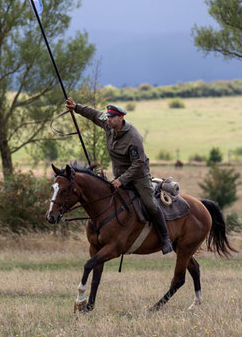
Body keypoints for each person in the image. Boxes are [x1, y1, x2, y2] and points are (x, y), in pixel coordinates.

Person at [65, 97, 173, 254]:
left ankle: (165, 239)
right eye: (107, 117)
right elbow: (95, 114)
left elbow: (138, 164)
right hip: (118, 176)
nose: (108, 119)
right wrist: (76, 107)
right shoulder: (108, 125)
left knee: (150, 204)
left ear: (121, 118)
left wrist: (121, 180)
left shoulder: (133, 138)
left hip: (139, 177)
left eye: (111, 117)